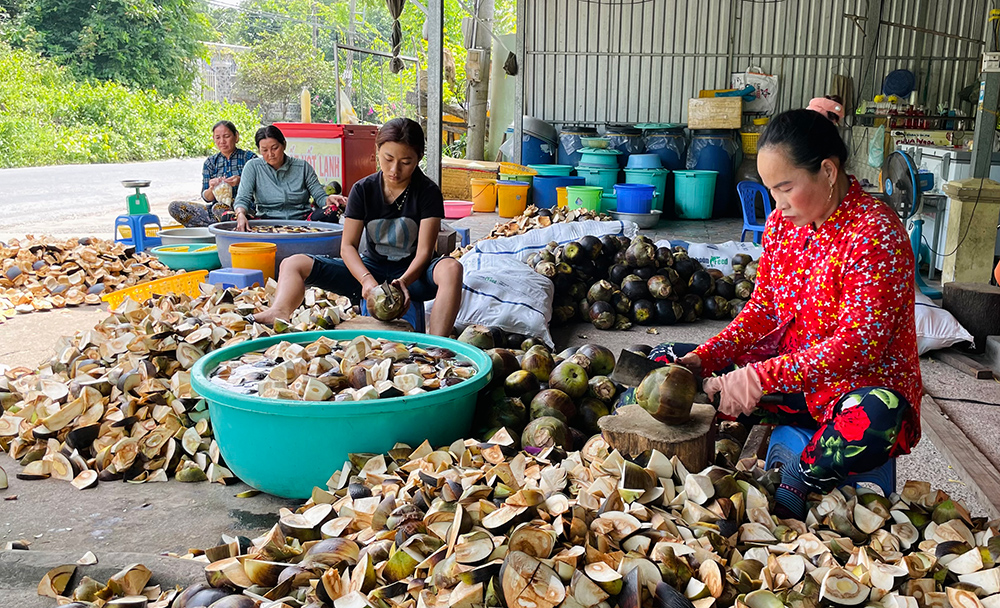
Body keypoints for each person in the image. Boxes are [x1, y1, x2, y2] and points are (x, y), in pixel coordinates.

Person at [658, 108, 922, 519]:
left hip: (855, 390)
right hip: (793, 383)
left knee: (878, 414)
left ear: (828, 172)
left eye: (785, 188)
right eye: (770, 190)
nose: (777, 205)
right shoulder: (785, 225)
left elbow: (857, 347)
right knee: (670, 361)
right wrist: (705, 358)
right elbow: (763, 308)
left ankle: (802, 474)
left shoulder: (876, 233)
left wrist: (759, 378)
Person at [250, 118, 464, 337]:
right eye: (388, 158)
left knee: (451, 269)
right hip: (370, 270)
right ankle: (279, 312)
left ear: (419, 158)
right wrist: (366, 280)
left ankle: (437, 345)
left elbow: (425, 252)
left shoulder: (428, 191)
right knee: (293, 263)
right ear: (377, 150)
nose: (394, 170)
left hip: (414, 277)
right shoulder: (363, 189)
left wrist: (404, 282)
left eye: (406, 162)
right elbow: (348, 246)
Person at [231, 125, 342, 231]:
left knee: (331, 210)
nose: (270, 154)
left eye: (275, 148)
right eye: (264, 150)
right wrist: (240, 214)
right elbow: (242, 198)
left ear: (284, 145)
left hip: (303, 222)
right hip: (265, 222)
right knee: (230, 217)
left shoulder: (302, 167)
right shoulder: (253, 167)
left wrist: (329, 200)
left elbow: (319, 195)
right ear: (259, 150)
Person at [169, 121, 257, 227]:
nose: (222, 141)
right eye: (218, 138)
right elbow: (206, 196)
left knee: (220, 208)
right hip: (216, 211)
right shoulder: (210, 162)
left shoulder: (249, 158)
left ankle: (222, 224)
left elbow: (262, 188)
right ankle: (223, 224)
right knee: (175, 207)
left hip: (244, 209)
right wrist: (212, 188)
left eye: (226, 136)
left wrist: (241, 181)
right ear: (213, 139)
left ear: (236, 136)